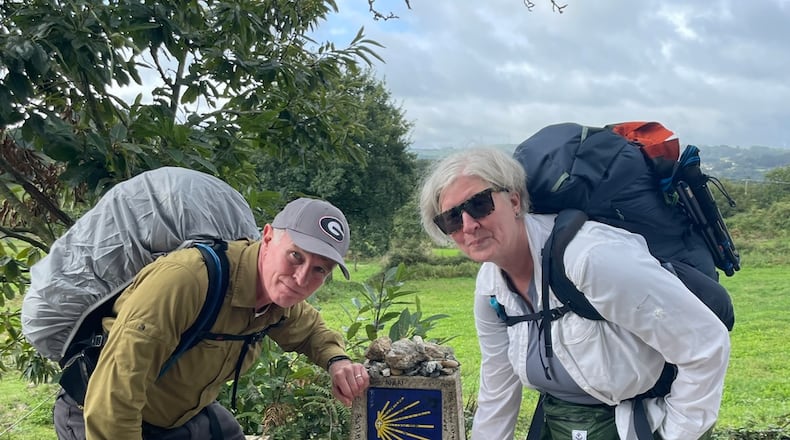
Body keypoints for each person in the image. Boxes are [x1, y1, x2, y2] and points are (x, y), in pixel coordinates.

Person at [418, 147, 730, 440]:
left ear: (514, 202)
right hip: (560, 424)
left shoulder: (592, 259)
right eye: (452, 219)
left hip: (639, 424)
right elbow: (499, 383)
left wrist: (676, 432)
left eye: (479, 204)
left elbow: (705, 343)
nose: (469, 225)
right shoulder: (491, 288)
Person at [53, 197, 370, 440]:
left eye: (319, 270)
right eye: (295, 256)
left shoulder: (280, 299)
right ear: (269, 237)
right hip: (97, 413)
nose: (301, 278)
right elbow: (114, 397)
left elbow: (310, 331)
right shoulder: (186, 281)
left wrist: (337, 361)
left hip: (177, 417)